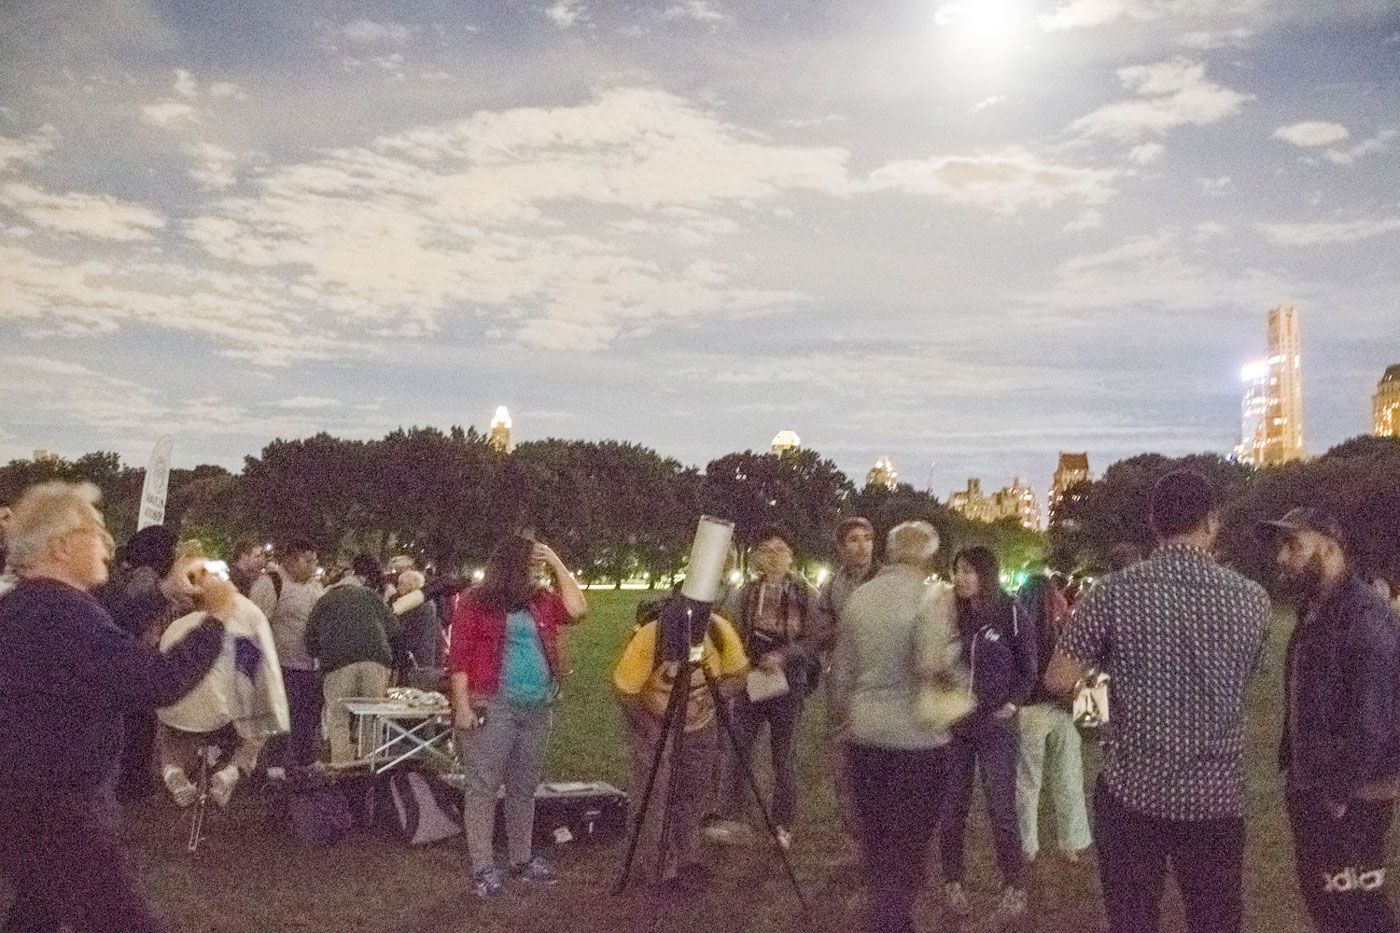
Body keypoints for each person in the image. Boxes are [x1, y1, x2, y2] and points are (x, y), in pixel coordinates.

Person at [0, 481, 233, 933]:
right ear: (63, 545)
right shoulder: (64, 614)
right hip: (60, 807)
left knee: (37, 915)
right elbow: (156, 680)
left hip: (27, 798)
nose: (109, 543)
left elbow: (105, 639)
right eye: (96, 529)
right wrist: (217, 619)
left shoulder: (30, 606)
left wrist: (166, 591)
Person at [1045, 470, 1271, 933]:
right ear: (1212, 522)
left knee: (1132, 919)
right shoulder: (1253, 600)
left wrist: (1099, 720)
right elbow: (1249, 677)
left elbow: (1058, 678)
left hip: (1133, 789)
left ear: (1154, 522)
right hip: (1216, 795)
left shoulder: (1112, 591)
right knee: (1214, 921)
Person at [1259, 507, 1400, 932]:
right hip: (1319, 787)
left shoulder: (1363, 617)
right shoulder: (1317, 610)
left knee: (1355, 911)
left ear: (1331, 548)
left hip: (1351, 795)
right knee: (1330, 908)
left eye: (1294, 545)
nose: (1282, 557)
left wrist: (1336, 794)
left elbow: (1372, 717)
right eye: (1281, 546)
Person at [831, 520, 966, 933]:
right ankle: (894, 917)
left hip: (866, 733)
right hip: (918, 740)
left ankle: (881, 910)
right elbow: (933, 666)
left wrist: (842, 724)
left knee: (875, 834)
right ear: (928, 554)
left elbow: (842, 674)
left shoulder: (860, 598)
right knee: (909, 840)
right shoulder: (933, 597)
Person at [447, 535, 587, 898]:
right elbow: (459, 657)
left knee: (524, 787)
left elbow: (578, 610)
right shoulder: (477, 601)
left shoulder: (539, 600)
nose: (538, 572)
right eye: (534, 565)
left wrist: (557, 562)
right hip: (493, 704)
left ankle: (521, 859)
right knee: (483, 786)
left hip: (537, 707)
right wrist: (462, 706)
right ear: (513, 565)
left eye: (541, 566)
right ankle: (483, 866)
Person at [613, 596, 748, 887]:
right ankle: (658, 867)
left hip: (701, 724)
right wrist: (650, 727)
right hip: (655, 721)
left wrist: (713, 697)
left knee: (694, 792)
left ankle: (688, 858)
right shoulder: (650, 636)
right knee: (656, 794)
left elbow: (738, 674)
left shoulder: (719, 631)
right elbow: (625, 690)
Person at [939, 545, 1036, 923]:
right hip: (956, 724)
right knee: (952, 808)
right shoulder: (948, 612)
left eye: (968, 571)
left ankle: (1014, 886)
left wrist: (1012, 703)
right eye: (957, 570)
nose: (961, 578)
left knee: (1001, 809)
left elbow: (1028, 666)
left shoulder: (1010, 612)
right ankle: (952, 880)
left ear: (985, 575)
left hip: (996, 727)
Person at [719, 524, 819, 849]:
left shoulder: (806, 593)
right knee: (739, 750)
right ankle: (734, 816)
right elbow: (731, 631)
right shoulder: (746, 593)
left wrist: (785, 655)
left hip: (788, 684)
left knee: (784, 756)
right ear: (759, 557)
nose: (774, 557)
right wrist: (744, 661)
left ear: (791, 556)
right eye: (768, 551)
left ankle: (782, 823)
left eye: (781, 550)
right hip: (751, 680)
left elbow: (815, 637)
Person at [96, 524, 190, 800]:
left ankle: (132, 783)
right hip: (137, 657)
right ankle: (133, 785)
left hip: (134, 657)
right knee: (139, 727)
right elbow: (136, 618)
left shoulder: (134, 575)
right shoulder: (148, 578)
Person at [1015, 572, 1092, 864]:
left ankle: (1028, 844)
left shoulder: (1020, 632)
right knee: (1069, 779)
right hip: (1063, 711)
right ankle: (1071, 842)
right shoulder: (1063, 632)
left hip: (1030, 711)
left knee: (1027, 781)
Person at [812, 516, 880, 846]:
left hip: (880, 685)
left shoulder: (885, 579)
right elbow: (820, 633)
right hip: (842, 686)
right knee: (844, 764)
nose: (861, 545)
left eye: (866, 538)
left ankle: (881, 834)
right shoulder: (833, 586)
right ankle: (854, 834)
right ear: (841, 547)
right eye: (853, 539)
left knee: (880, 762)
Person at [306, 553, 398, 763]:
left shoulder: (326, 598)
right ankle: (369, 764)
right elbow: (393, 628)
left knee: (338, 716)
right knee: (371, 716)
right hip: (375, 661)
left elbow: (310, 635)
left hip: (338, 664)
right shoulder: (370, 596)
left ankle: (342, 765)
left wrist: (317, 656)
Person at [250, 537, 324, 772]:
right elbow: (255, 624)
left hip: (309, 665)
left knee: (306, 716)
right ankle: (274, 766)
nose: (313, 566)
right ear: (292, 561)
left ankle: (306, 761)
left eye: (315, 561)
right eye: (308, 561)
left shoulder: (314, 586)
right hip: (281, 665)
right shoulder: (271, 583)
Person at [391, 568, 442, 689]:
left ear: (409, 585)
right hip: (423, 655)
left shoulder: (416, 605)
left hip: (416, 657)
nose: (398, 588)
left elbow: (406, 630)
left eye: (401, 584)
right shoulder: (426, 603)